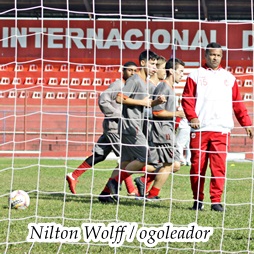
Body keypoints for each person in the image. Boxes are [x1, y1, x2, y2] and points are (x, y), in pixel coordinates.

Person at [182, 42, 254, 212]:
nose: (214, 58)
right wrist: (192, 117)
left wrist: (247, 123)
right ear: (206, 55)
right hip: (200, 129)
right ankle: (197, 200)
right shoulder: (195, 75)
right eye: (212, 55)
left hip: (221, 129)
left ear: (222, 57)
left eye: (218, 55)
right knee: (197, 166)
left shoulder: (229, 78)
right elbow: (187, 99)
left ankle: (216, 201)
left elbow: (238, 103)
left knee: (218, 167)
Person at [98, 50, 165, 203]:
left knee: (125, 163)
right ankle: (115, 182)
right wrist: (142, 102)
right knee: (146, 156)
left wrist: (155, 103)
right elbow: (120, 98)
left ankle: (105, 194)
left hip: (135, 124)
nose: (154, 67)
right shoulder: (134, 80)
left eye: (156, 64)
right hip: (130, 125)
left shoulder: (144, 83)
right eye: (152, 64)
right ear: (142, 63)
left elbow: (142, 104)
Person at [66, 61, 138, 194]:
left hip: (115, 128)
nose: (132, 73)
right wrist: (118, 115)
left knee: (99, 155)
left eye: (135, 71)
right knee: (127, 157)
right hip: (114, 127)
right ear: (123, 71)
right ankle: (132, 190)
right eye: (130, 70)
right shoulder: (118, 85)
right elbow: (103, 100)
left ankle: (73, 175)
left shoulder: (129, 87)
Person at [135, 58, 186, 200]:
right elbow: (157, 112)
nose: (182, 75)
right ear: (171, 71)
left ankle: (143, 181)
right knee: (170, 164)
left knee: (174, 165)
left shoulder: (169, 88)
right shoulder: (163, 87)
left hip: (166, 131)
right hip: (163, 132)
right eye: (181, 71)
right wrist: (177, 113)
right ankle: (151, 194)